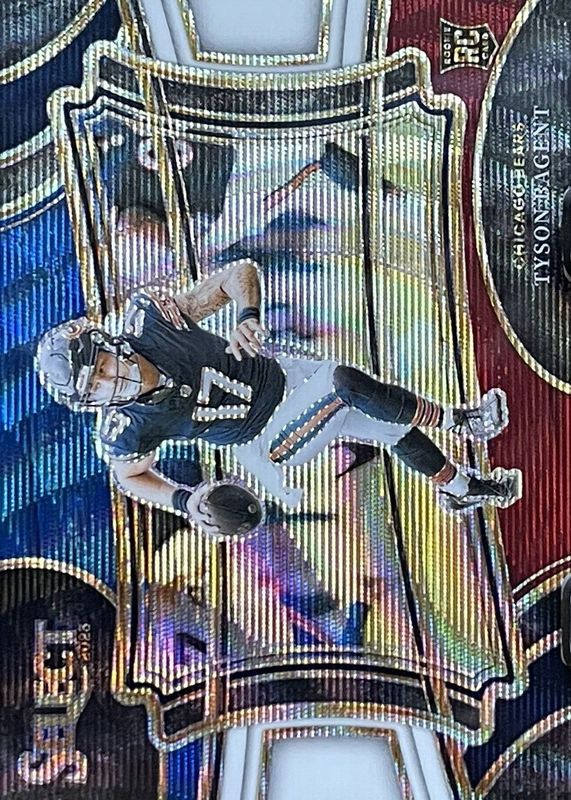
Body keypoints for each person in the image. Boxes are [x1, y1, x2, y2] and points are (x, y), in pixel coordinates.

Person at [35, 259, 521, 532]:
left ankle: (463, 488)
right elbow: (130, 476)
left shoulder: (151, 321)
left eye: (100, 367)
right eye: (94, 387)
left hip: (284, 374)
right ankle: (461, 421)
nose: (108, 382)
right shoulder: (124, 428)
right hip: (266, 436)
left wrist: (246, 315)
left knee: (390, 428)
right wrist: (185, 499)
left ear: (107, 342)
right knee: (344, 384)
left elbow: (238, 273)